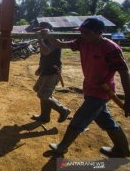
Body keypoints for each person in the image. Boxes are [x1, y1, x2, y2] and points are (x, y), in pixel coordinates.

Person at [41, 17, 130, 157]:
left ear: (99, 32)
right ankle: (122, 149)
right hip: (89, 88)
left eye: (86, 32)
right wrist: (49, 35)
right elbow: (60, 44)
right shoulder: (82, 42)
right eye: (81, 31)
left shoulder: (111, 48)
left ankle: (62, 147)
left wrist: (128, 99)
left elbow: (124, 73)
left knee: (80, 118)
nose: (82, 34)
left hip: (101, 91)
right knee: (105, 120)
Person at [32, 22, 70, 123]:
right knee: (40, 91)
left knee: (43, 95)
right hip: (46, 69)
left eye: (42, 30)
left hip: (52, 71)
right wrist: (40, 67)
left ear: (48, 29)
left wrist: (39, 39)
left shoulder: (55, 39)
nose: (39, 32)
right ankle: (45, 116)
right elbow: (43, 55)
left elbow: (46, 51)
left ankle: (63, 110)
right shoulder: (45, 38)